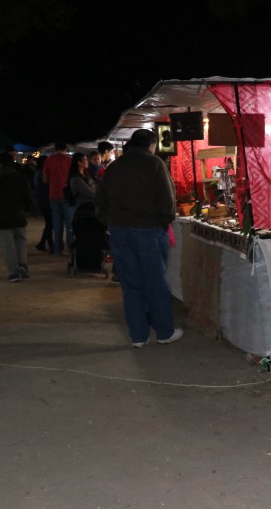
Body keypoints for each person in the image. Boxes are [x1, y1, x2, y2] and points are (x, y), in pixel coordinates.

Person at [96, 129, 182, 348]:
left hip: (120, 232)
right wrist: (163, 222)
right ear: (151, 145)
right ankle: (164, 332)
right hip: (149, 230)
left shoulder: (114, 167)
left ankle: (138, 336)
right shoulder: (155, 164)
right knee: (156, 283)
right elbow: (167, 200)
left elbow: (100, 201)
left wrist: (111, 222)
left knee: (131, 285)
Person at [0, 152, 33, 282]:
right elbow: (27, 196)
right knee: (21, 241)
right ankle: (23, 264)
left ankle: (13, 272)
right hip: (18, 214)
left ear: (0, 162)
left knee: (7, 245)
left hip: (0, 216)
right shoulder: (20, 177)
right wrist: (27, 208)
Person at [42, 142, 73, 256]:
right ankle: (71, 249)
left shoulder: (48, 160)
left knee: (57, 224)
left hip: (53, 195)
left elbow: (44, 179)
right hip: (67, 195)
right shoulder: (69, 160)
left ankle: (58, 250)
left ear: (55, 149)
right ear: (66, 148)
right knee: (70, 225)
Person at [33, 155, 53, 253]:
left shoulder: (38, 172)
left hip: (41, 201)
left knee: (49, 223)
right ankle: (47, 244)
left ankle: (45, 244)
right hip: (46, 201)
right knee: (50, 224)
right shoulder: (42, 173)